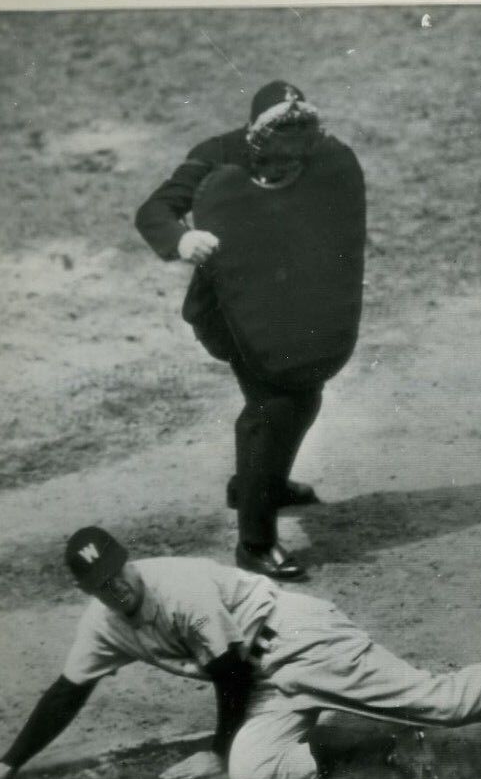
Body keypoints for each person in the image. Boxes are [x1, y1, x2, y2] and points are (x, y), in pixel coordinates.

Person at [0, 527, 481, 779]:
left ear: (129, 560)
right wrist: (13, 759)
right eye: (102, 585)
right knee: (255, 772)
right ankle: (375, 739)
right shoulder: (105, 622)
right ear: (90, 592)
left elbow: (231, 673)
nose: (117, 587)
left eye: (119, 572)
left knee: (440, 703)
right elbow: (68, 689)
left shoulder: (176, 586)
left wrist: (210, 746)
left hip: (299, 641)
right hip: (258, 676)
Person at [135, 80, 367, 581]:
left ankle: (260, 485)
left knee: (301, 395)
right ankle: (255, 543)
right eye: (277, 148)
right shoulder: (216, 156)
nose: (288, 160)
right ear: (255, 135)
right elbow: (154, 211)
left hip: (289, 305)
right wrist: (182, 238)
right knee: (276, 405)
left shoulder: (319, 158)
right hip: (230, 311)